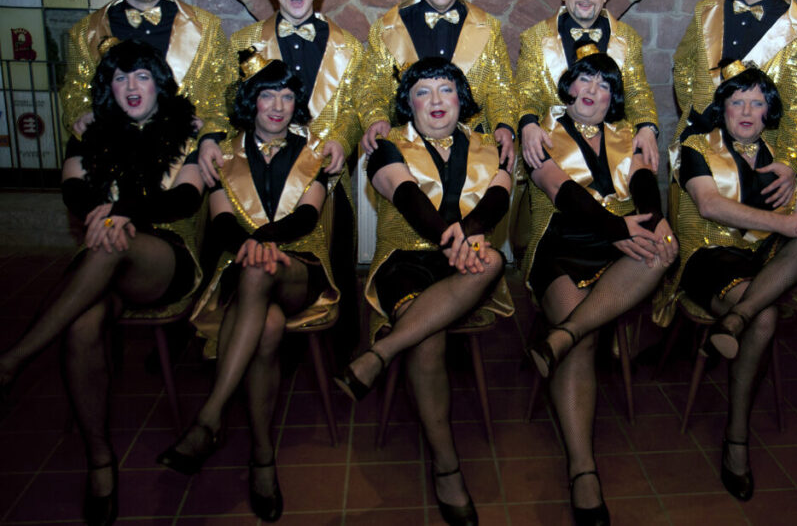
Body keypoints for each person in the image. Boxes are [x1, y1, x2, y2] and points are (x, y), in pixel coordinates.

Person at [0, 39, 205, 526]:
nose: (131, 86)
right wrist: (105, 215)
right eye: (120, 77)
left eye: (142, 76)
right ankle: (100, 461)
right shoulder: (88, 132)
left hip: (163, 258)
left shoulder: (189, 131)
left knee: (114, 241)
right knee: (82, 325)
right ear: (107, 87)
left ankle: (12, 361)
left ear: (159, 84)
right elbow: (73, 189)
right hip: (101, 259)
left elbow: (185, 199)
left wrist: (120, 212)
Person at [157, 51, 339, 522]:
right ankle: (262, 456)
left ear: (296, 103)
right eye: (267, 95)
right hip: (243, 267)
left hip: (299, 268)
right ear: (250, 101)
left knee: (262, 272)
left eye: (287, 96)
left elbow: (307, 216)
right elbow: (221, 224)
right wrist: (251, 249)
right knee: (268, 327)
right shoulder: (221, 153)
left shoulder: (316, 150)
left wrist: (261, 243)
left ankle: (210, 417)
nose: (277, 106)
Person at [336, 57, 513, 526]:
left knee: (494, 260)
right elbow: (409, 198)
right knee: (429, 337)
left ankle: (380, 353)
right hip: (406, 262)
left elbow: (498, 197)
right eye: (423, 92)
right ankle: (447, 467)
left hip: (467, 259)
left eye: (445, 89)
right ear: (408, 103)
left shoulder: (489, 144)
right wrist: (452, 239)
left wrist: (469, 236)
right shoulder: (386, 145)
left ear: (461, 98)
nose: (436, 100)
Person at [669, 63, 797, 501]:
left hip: (764, 262)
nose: (746, 111)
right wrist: (788, 224)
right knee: (765, 318)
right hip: (708, 256)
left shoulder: (779, 154)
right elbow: (710, 206)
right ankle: (737, 438)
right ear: (722, 108)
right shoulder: (696, 146)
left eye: (757, 103)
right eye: (737, 101)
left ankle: (735, 318)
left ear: (769, 112)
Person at [523, 45, 677, 526]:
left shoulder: (628, 135)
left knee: (661, 251)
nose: (594, 90)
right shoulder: (542, 133)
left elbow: (645, 182)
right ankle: (583, 469)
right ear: (568, 86)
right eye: (586, 79)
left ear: (614, 97)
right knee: (585, 342)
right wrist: (618, 229)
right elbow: (559, 189)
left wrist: (655, 220)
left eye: (605, 84)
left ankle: (560, 335)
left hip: (618, 242)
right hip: (561, 245)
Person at [229, 0, 364, 361]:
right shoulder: (243, 43)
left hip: (327, 177)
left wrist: (342, 138)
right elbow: (232, 108)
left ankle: (338, 350)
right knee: (262, 259)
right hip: (262, 178)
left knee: (337, 260)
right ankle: (272, 348)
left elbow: (355, 109)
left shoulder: (349, 46)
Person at [60, 0, 233, 188]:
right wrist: (81, 113)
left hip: (182, 171)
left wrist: (211, 136)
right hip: (112, 171)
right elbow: (74, 91)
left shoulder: (207, 28)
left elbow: (224, 93)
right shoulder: (85, 33)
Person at [670, 0, 797, 215]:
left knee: (753, 233)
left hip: (758, 156)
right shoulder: (706, 10)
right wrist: (700, 110)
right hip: (699, 144)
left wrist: (789, 161)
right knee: (688, 230)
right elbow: (683, 65)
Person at [356, 0, 517, 168]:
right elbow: (371, 88)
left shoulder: (488, 28)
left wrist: (504, 125)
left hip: (473, 155)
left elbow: (501, 89)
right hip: (406, 154)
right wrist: (376, 118)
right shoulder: (387, 28)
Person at [516, 0, 659, 170]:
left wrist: (647, 127)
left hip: (613, 153)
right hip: (553, 151)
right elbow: (526, 94)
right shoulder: (535, 38)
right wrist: (528, 124)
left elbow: (637, 93)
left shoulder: (628, 39)